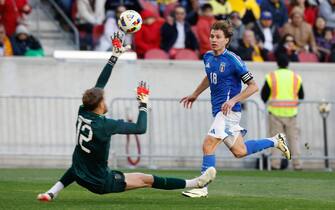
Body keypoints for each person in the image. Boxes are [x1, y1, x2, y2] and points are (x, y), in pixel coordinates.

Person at [36, 32, 216, 202]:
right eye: (104, 99)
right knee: (147, 179)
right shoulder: (105, 125)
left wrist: (114, 57)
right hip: (101, 182)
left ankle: (51, 193)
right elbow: (140, 128)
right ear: (99, 104)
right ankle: (196, 183)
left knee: (78, 165)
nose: (106, 100)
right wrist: (143, 103)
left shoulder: (83, 111)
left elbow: (100, 84)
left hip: (81, 174)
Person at [180, 20, 291, 198]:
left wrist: (233, 100)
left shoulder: (234, 60)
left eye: (218, 37)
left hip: (229, 112)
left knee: (208, 144)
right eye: (211, 36)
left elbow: (253, 86)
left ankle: (202, 186)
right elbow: (209, 77)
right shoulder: (208, 57)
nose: (213, 39)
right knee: (240, 151)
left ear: (227, 40)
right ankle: (276, 141)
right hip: (219, 111)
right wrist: (195, 93)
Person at [261, 54, 304, 170]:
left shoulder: (272, 76)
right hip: (292, 114)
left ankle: (275, 165)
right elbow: (301, 96)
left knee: (277, 140)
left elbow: (264, 95)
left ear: (277, 64)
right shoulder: (296, 77)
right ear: (288, 64)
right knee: (293, 140)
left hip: (275, 113)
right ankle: (298, 165)